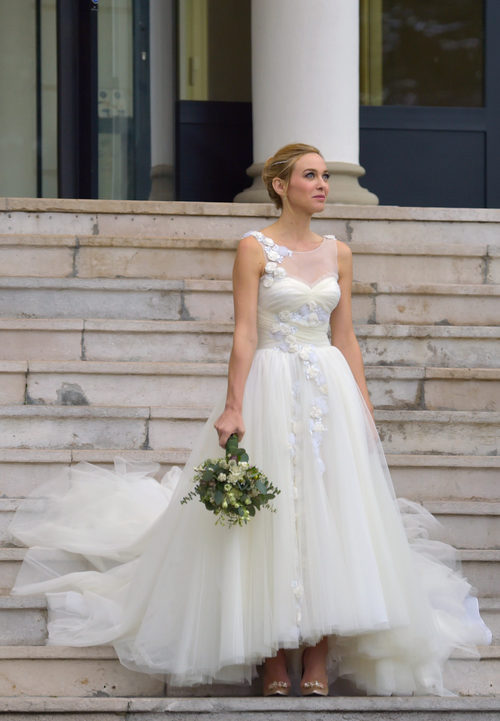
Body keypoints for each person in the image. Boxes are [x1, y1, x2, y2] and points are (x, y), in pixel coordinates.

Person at [9, 143, 491, 697]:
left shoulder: (340, 252)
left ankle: (318, 652)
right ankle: (273, 655)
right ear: (280, 185)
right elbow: (244, 333)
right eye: (311, 176)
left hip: (328, 388)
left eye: (326, 176)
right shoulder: (253, 248)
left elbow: (346, 335)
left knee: (331, 513)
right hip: (271, 384)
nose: (323, 185)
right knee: (273, 515)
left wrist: (363, 403)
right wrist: (234, 404)